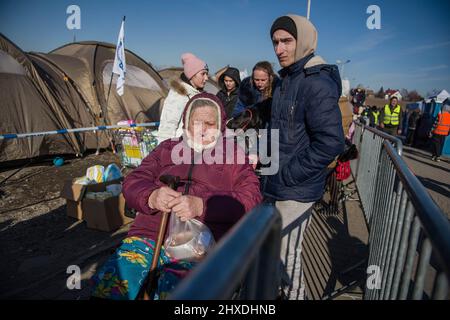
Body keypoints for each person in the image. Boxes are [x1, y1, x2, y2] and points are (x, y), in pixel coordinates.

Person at [90, 93, 262, 300]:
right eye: (197, 122)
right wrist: (151, 196)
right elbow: (133, 180)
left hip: (200, 246)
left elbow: (251, 197)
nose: (203, 129)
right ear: (186, 123)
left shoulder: (233, 155)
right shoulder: (167, 149)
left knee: (178, 291)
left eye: (210, 123)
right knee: (114, 283)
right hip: (150, 236)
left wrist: (202, 205)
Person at [263, 14, 345, 300]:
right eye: (275, 42)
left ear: (304, 42)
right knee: (276, 252)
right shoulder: (288, 79)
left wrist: (288, 174)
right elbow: (287, 131)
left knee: (288, 258)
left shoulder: (316, 82)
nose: (279, 49)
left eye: (287, 41)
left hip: (295, 188)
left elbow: (332, 141)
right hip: (278, 182)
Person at [157, 53, 209, 144]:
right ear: (192, 75)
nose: (206, 78)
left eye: (207, 74)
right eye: (203, 74)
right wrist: (164, 151)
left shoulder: (197, 94)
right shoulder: (179, 94)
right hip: (179, 149)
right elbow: (168, 125)